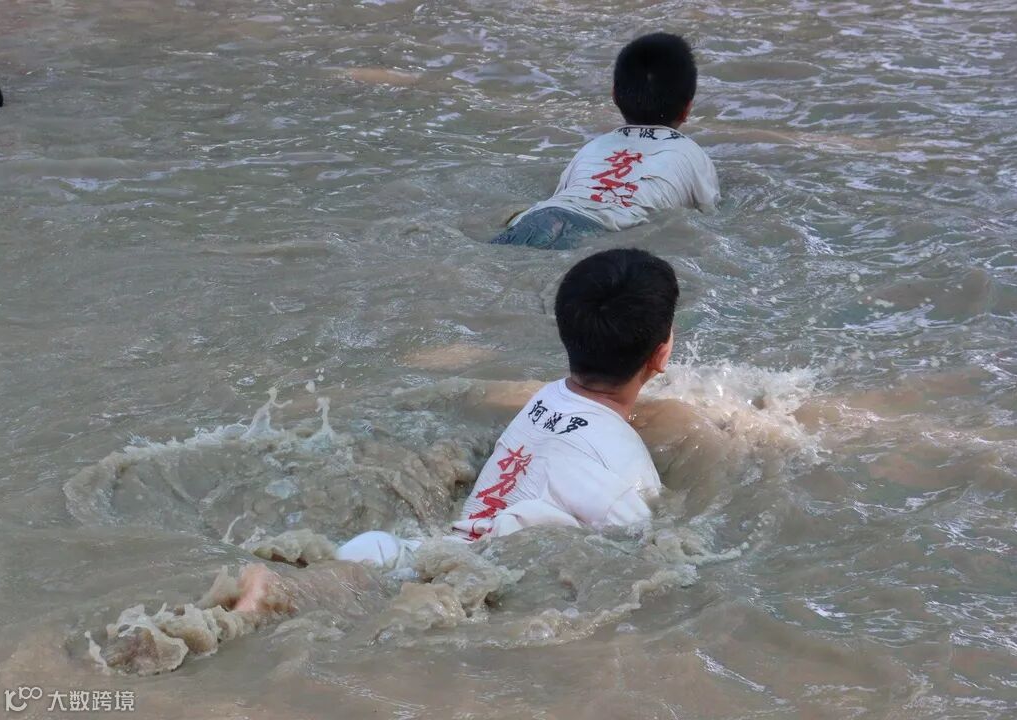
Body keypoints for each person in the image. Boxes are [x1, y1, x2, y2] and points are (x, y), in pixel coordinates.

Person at [235, 248, 678, 612]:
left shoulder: (545, 399)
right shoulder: (629, 472)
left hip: (408, 550)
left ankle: (280, 589)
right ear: (660, 355)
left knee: (348, 576)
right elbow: (627, 563)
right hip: (461, 585)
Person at [492, 33, 720, 250]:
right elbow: (709, 216)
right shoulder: (693, 155)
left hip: (536, 217)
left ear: (614, 96)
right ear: (687, 108)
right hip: (605, 229)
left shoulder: (593, 147)